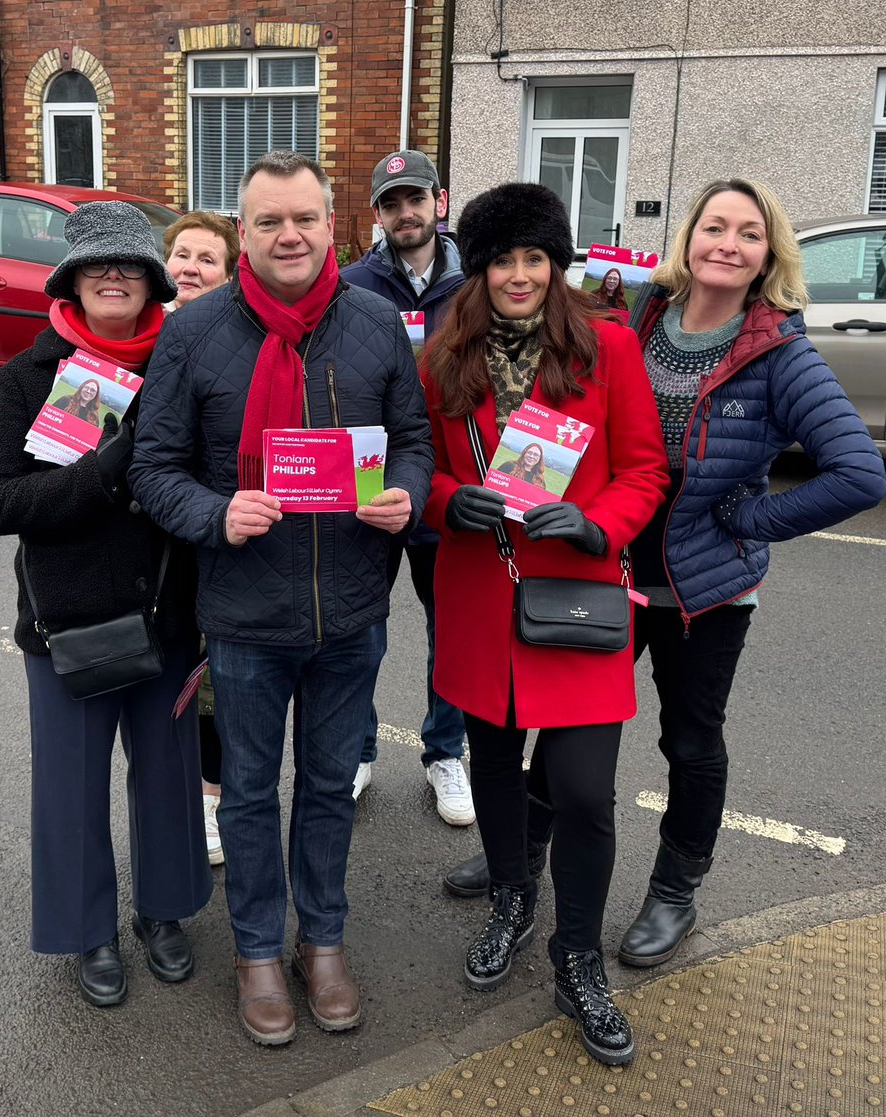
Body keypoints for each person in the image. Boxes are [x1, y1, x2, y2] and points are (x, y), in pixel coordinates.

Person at [441, 177, 886, 972]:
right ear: (687, 242)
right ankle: (518, 868)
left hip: (697, 578)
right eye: (714, 227)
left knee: (688, 738)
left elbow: (856, 472)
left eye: (748, 234)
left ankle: (673, 889)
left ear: (767, 254)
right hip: (596, 571)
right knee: (548, 741)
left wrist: (748, 520)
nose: (728, 244)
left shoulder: (776, 350)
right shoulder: (643, 316)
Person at [129, 151, 434, 1046]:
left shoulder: (377, 323)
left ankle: (323, 941)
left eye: (303, 218)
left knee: (332, 785)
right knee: (252, 791)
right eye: (267, 222)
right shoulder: (194, 335)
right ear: (243, 231)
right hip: (243, 617)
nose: (288, 235)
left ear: (332, 224)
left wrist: (407, 492)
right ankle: (260, 948)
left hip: (349, 611)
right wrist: (216, 513)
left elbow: (412, 438)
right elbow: (153, 467)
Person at [421, 181, 669, 1065]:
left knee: (582, 790)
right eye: (501, 260)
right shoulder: (445, 354)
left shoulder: (606, 347)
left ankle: (578, 957)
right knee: (491, 764)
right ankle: (514, 901)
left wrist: (600, 522)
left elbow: (644, 467)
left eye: (534, 258)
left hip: (577, 599)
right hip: (484, 593)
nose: (518, 275)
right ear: (477, 270)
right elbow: (423, 469)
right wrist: (453, 501)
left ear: (556, 266)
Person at [0, 201, 211, 1008]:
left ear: (152, 281)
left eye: (130, 264)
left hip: (168, 614)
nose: (114, 275)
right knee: (71, 785)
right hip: (66, 621)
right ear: (72, 279)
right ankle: (88, 930)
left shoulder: (180, 366)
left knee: (171, 775)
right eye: (97, 265)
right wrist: (102, 473)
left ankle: (165, 912)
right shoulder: (30, 376)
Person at [340, 149, 472, 822]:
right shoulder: (351, 284)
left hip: (448, 481)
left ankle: (446, 751)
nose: (405, 212)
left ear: (438, 203)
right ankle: (358, 748)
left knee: (450, 627)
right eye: (391, 203)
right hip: (370, 482)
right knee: (362, 625)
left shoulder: (475, 284)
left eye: (415, 199)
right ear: (379, 215)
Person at [161, 210, 242, 867]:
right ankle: (173, 794)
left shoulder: (239, 346)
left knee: (211, 683)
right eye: (181, 254)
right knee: (160, 678)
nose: (189, 266)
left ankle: (212, 800)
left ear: (230, 273)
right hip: (149, 553)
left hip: (215, 542)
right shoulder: (138, 340)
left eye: (206, 258)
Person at [163, 210, 241, 310]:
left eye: (207, 261)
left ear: (230, 277)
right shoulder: (140, 317)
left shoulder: (244, 323)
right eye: (182, 256)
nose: (190, 269)